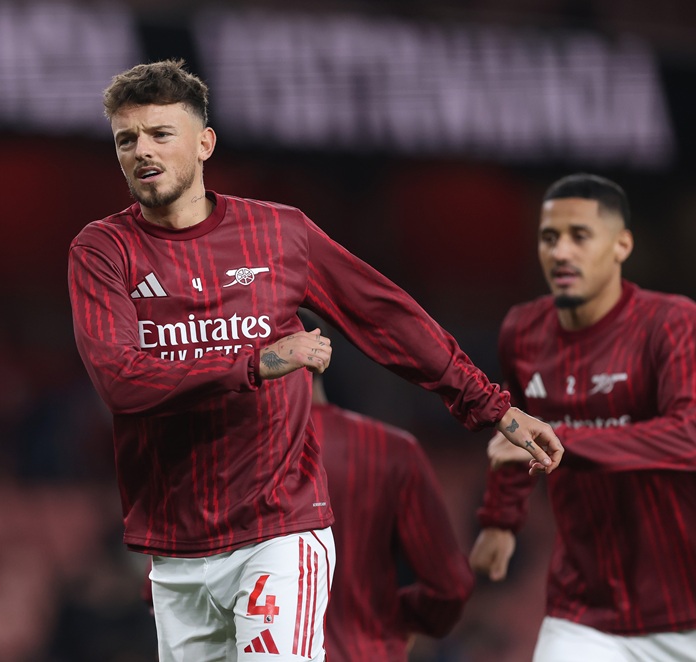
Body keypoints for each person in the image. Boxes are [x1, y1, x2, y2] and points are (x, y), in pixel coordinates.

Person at [67, 59, 562, 662]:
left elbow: (387, 318)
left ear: (204, 143)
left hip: (280, 527)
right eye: (127, 139)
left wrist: (496, 409)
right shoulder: (102, 250)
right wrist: (253, 363)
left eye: (160, 134)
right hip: (175, 546)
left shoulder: (280, 234)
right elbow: (120, 381)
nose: (142, 150)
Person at [470, 173, 696, 661]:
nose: (560, 252)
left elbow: (689, 435)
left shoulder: (672, 322)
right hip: (583, 612)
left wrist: (564, 442)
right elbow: (517, 431)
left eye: (579, 236)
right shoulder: (522, 331)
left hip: (686, 609)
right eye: (549, 238)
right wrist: (501, 522)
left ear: (621, 245)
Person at [297, 311, 473, 661]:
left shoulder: (232, 460)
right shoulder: (392, 451)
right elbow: (450, 586)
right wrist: (395, 619)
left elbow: (170, 587)